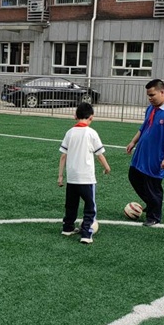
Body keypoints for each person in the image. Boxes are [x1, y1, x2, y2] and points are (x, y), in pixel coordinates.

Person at [126, 79, 164, 226]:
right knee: (134, 176)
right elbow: (143, 127)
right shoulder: (151, 108)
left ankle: (154, 216)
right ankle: (152, 204)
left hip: (156, 156)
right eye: (148, 95)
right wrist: (133, 142)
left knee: (153, 186)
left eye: (152, 95)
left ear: (162, 92)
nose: (150, 98)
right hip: (142, 153)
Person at [58, 102, 111, 244]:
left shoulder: (69, 133)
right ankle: (86, 234)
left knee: (71, 205)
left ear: (76, 116)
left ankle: (67, 228)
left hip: (72, 178)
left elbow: (63, 155)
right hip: (87, 178)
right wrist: (107, 167)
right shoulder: (91, 133)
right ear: (91, 117)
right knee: (90, 206)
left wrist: (60, 176)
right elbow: (99, 154)